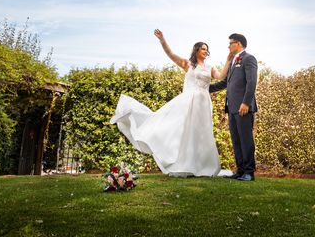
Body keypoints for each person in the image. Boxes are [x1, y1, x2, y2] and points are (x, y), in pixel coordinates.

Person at [110, 29, 231, 177]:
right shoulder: (188, 64)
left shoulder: (210, 68)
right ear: (197, 50)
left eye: (207, 49)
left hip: (203, 104)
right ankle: (185, 164)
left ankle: (203, 165)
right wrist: (162, 40)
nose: (206, 51)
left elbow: (221, 76)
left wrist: (228, 59)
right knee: (181, 131)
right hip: (187, 101)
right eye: (203, 49)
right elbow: (170, 54)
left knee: (201, 133)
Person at [209, 33, 258, 181]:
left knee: (246, 140)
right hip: (231, 108)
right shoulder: (233, 62)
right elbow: (225, 83)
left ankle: (249, 172)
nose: (229, 46)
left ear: (239, 44)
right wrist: (205, 88)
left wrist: (246, 103)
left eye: (231, 43)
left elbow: (251, 82)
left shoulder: (249, 59)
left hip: (243, 107)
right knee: (236, 141)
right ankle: (240, 170)